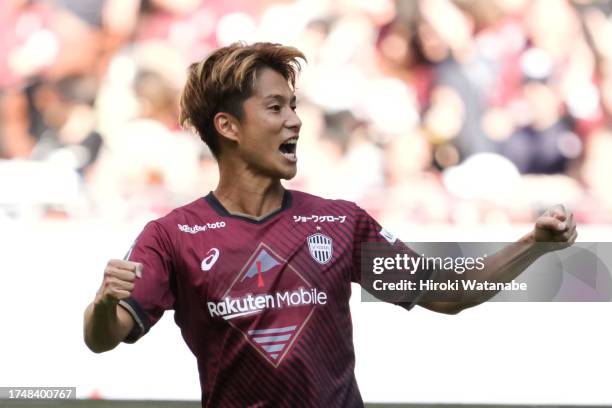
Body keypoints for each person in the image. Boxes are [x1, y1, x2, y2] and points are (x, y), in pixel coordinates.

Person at [83, 42, 577, 407]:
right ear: (227, 127)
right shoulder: (173, 236)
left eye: (294, 105)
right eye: (275, 107)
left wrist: (534, 244)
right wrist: (105, 304)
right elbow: (103, 336)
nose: (295, 120)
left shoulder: (339, 222)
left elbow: (450, 293)